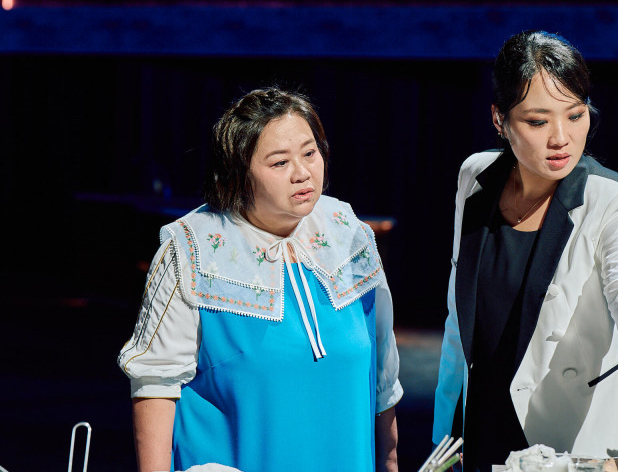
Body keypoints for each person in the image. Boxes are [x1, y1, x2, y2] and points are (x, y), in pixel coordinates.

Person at [432, 30, 618, 471]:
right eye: (538, 122)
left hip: (570, 432)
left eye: (576, 115)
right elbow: (460, 313)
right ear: (499, 119)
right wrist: (448, 419)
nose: (562, 137)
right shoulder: (475, 177)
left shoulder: (616, 200)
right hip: (481, 416)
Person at [117, 88, 403, 472]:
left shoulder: (347, 233)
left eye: (310, 153)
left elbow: (382, 374)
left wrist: (390, 461)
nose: (302, 173)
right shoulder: (193, 250)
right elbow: (155, 383)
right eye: (280, 162)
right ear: (238, 173)